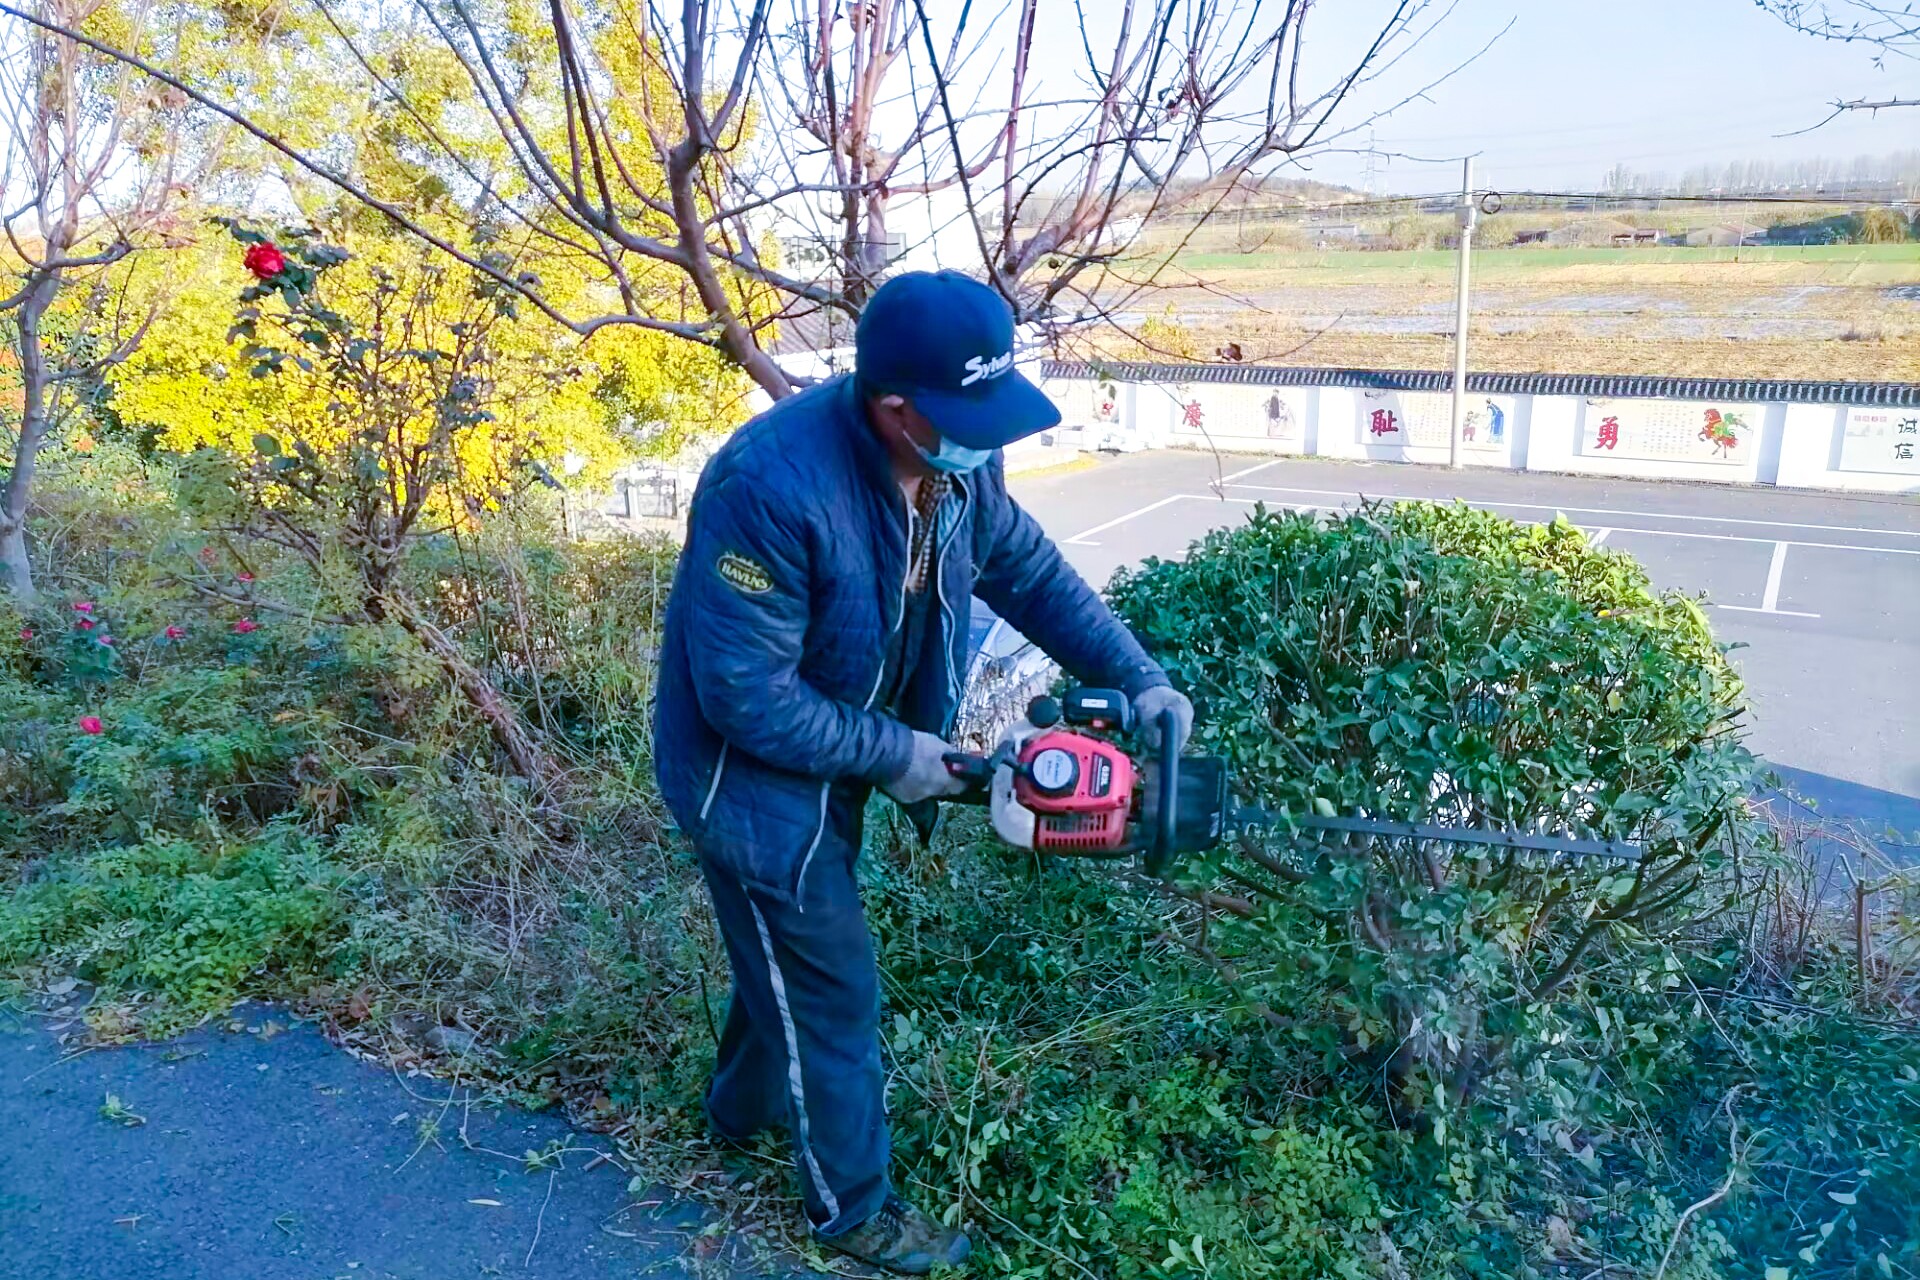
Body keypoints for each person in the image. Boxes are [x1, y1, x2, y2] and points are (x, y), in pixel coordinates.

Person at [653, 270, 1193, 1274]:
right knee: (833, 987)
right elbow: (747, 698)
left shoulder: (953, 470)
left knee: (784, 951)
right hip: (746, 774)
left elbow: (1027, 569)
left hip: (840, 741)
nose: (989, 442)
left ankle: (736, 1116)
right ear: (895, 405)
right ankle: (853, 1209)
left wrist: (1138, 675)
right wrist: (899, 752)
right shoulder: (768, 486)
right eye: (966, 417)